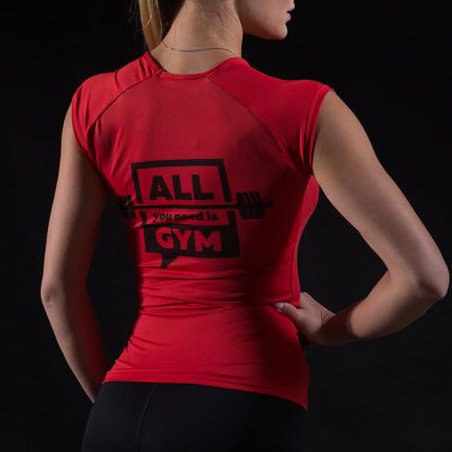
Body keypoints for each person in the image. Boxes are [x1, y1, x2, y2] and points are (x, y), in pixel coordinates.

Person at [40, 0, 449, 451]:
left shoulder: (93, 103)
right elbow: (424, 278)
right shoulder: (303, 109)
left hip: (121, 412)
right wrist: (332, 328)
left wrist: (115, 403)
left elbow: (57, 289)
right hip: (242, 409)